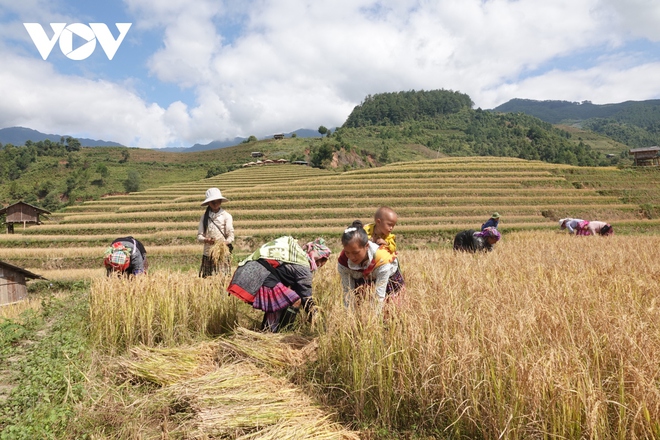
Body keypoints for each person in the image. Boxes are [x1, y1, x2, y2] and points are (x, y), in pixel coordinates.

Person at [227, 236, 331, 333]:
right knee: (295, 300)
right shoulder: (303, 267)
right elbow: (306, 297)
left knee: (282, 301)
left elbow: (297, 290)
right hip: (259, 275)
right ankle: (284, 333)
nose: (320, 266)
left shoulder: (296, 256)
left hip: (249, 271)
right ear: (317, 257)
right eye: (321, 262)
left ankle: (268, 332)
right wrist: (316, 317)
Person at [337, 220, 405, 310]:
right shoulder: (343, 262)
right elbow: (348, 292)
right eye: (347, 252)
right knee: (360, 308)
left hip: (388, 280)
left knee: (390, 311)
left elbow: (379, 296)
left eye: (355, 253)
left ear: (366, 246)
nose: (351, 257)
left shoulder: (381, 259)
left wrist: (375, 322)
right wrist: (349, 319)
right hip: (362, 279)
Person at [197, 187, 234, 277]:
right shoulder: (204, 217)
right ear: (208, 203)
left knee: (222, 278)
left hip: (222, 254)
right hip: (208, 253)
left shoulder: (226, 216)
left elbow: (231, 236)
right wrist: (207, 240)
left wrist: (223, 243)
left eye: (217, 201)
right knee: (207, 279)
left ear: (220, 201)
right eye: (212, 201)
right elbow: (199, 236)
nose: (215, 203)